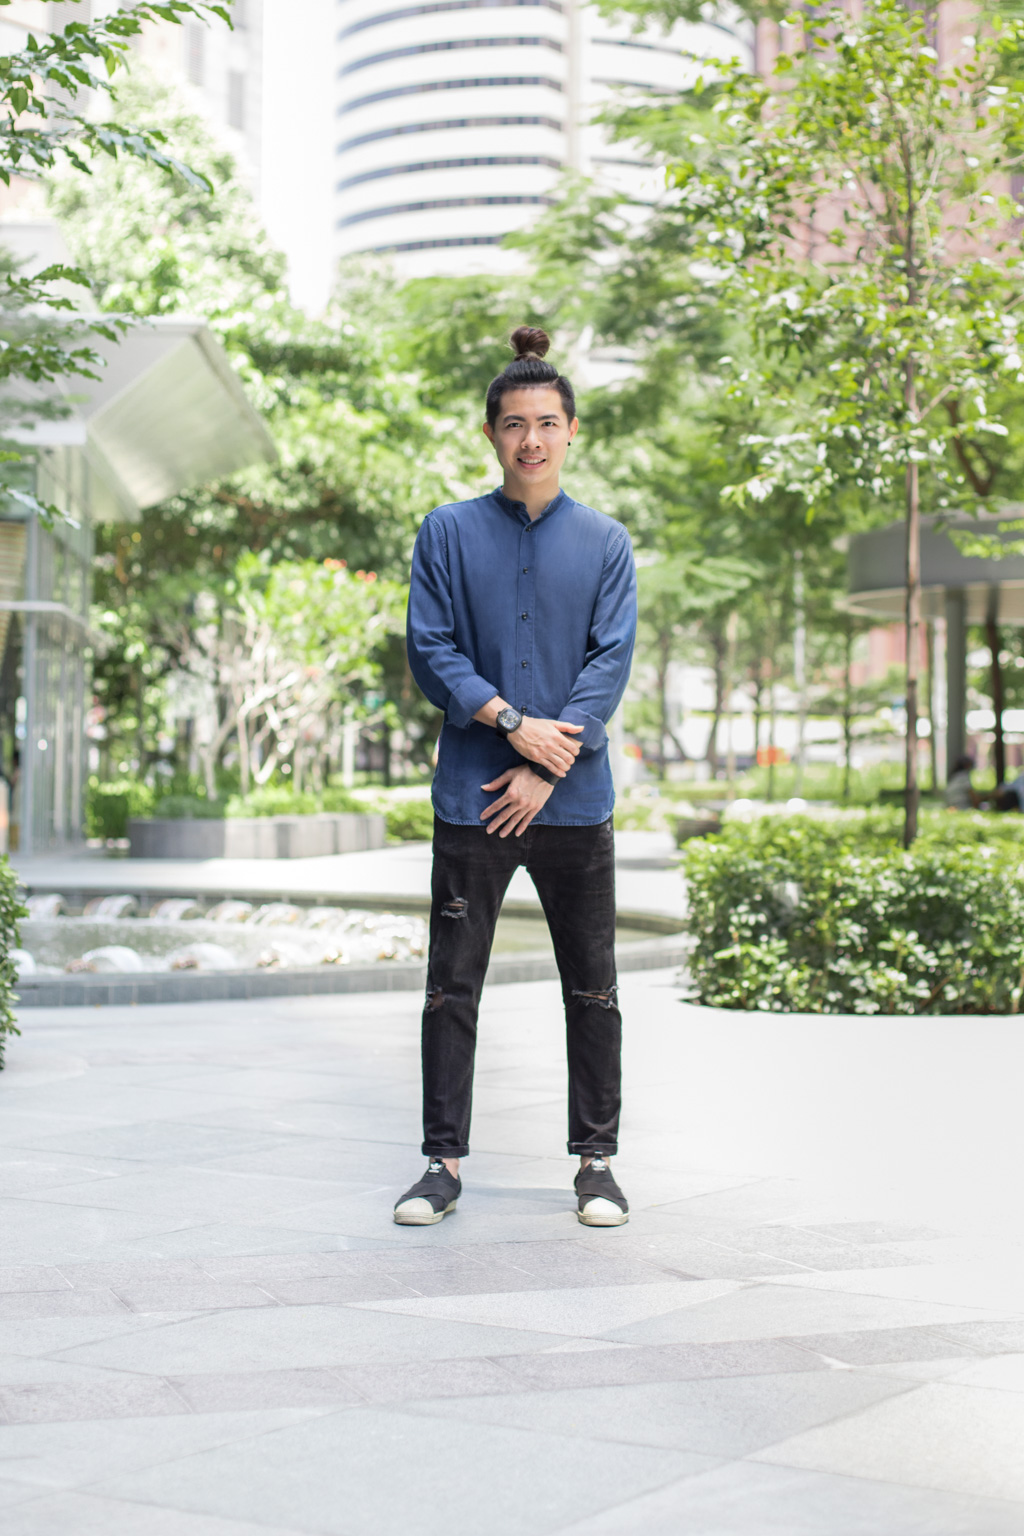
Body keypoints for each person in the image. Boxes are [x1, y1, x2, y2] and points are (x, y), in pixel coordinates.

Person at [395, 326, 637, 1229]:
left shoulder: (606, 543)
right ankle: (442, 1163)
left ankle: (597, 1163)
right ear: (491, 433)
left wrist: (545, 765)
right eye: (513, 424)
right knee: (450, 988)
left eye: (546, 423)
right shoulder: (447, 533)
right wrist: (510, 725)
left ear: (572, 430)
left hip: (573, 804)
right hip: (473, 797)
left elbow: (608, 663)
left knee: (594, 989)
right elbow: (432, 650)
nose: (530, 439)